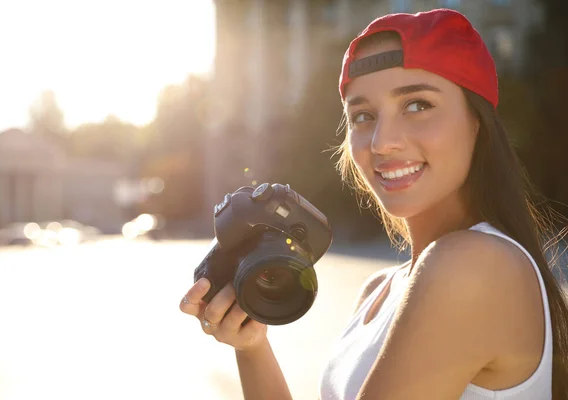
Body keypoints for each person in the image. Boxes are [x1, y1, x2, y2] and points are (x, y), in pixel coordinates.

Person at [179, 8, 568, 400]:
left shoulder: (472, 265)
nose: (382, 141)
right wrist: (252, 348)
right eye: (363, 115)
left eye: (417, 105)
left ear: (477, 121)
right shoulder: (379, 290)